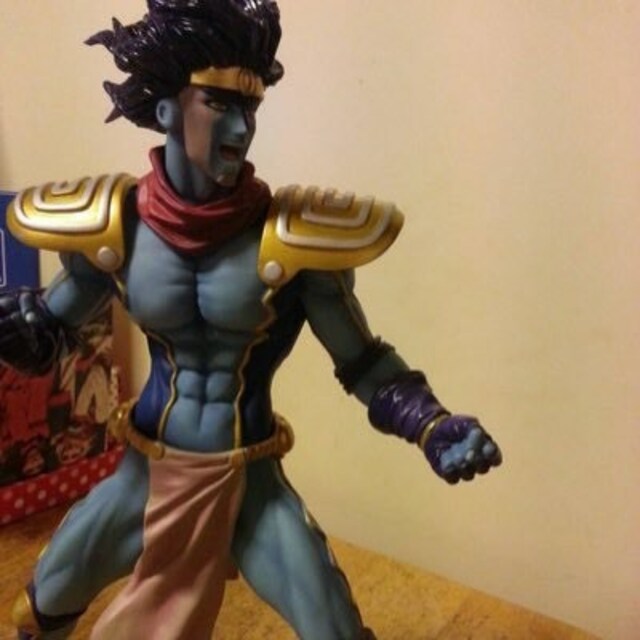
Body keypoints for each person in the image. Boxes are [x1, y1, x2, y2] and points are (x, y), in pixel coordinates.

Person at [3, 1, 502, 638]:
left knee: (336, 631)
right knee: (39, 608)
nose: (242, 128)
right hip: (144, 477)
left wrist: (431, 424)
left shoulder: (293, 241)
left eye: (251, 107)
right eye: (219, 103)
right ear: (166, 110)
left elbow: (364, 363)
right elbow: (48, 335)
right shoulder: (116, 228)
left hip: (250, 486)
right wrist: (15, 329)